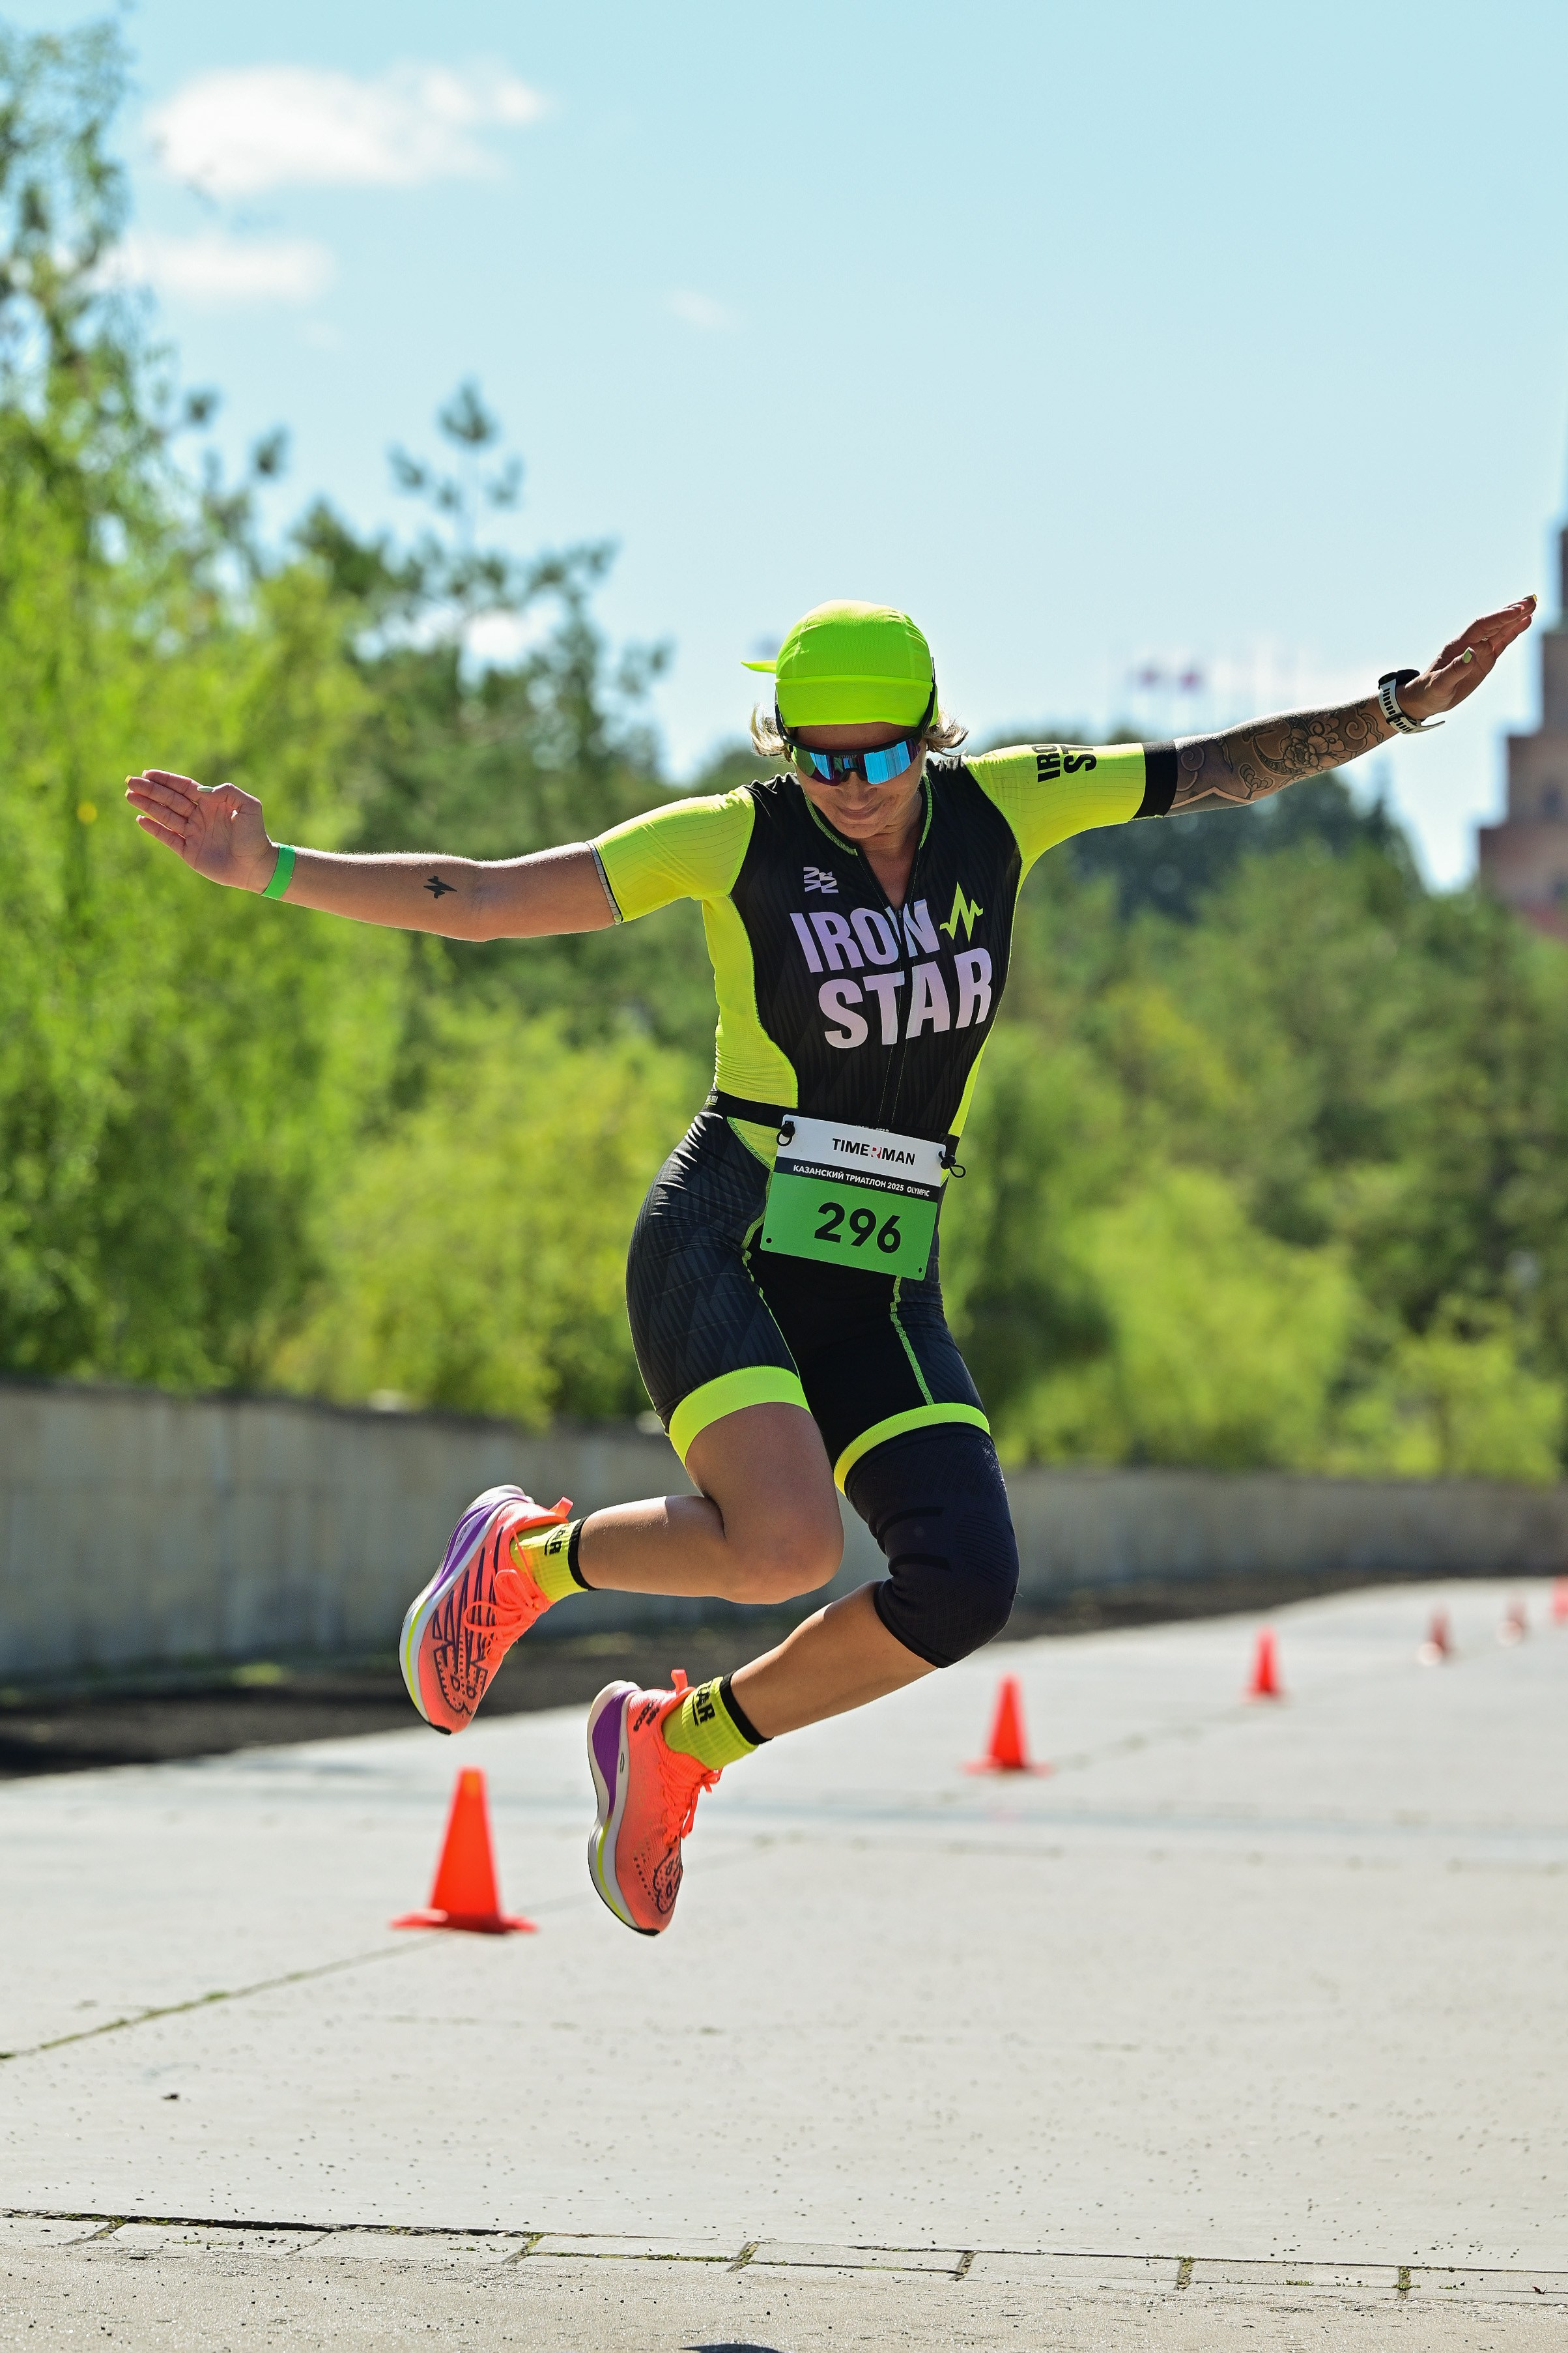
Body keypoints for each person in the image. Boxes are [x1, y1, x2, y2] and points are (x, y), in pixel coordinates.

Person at [126, 593, 1533, 1935]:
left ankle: (678, 1746)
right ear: (784, 747)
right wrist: (276, 869)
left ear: (930, 735)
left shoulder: (1008, 806)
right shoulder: (731, 839)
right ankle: (527, 1561)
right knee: (783, 1548)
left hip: (878, 1265)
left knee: (963, 1582)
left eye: (877, 758)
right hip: (728, 1233)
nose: (850, 787)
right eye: (820, 760)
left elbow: (1215, 770)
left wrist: (1397, 710)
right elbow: (487, 897)